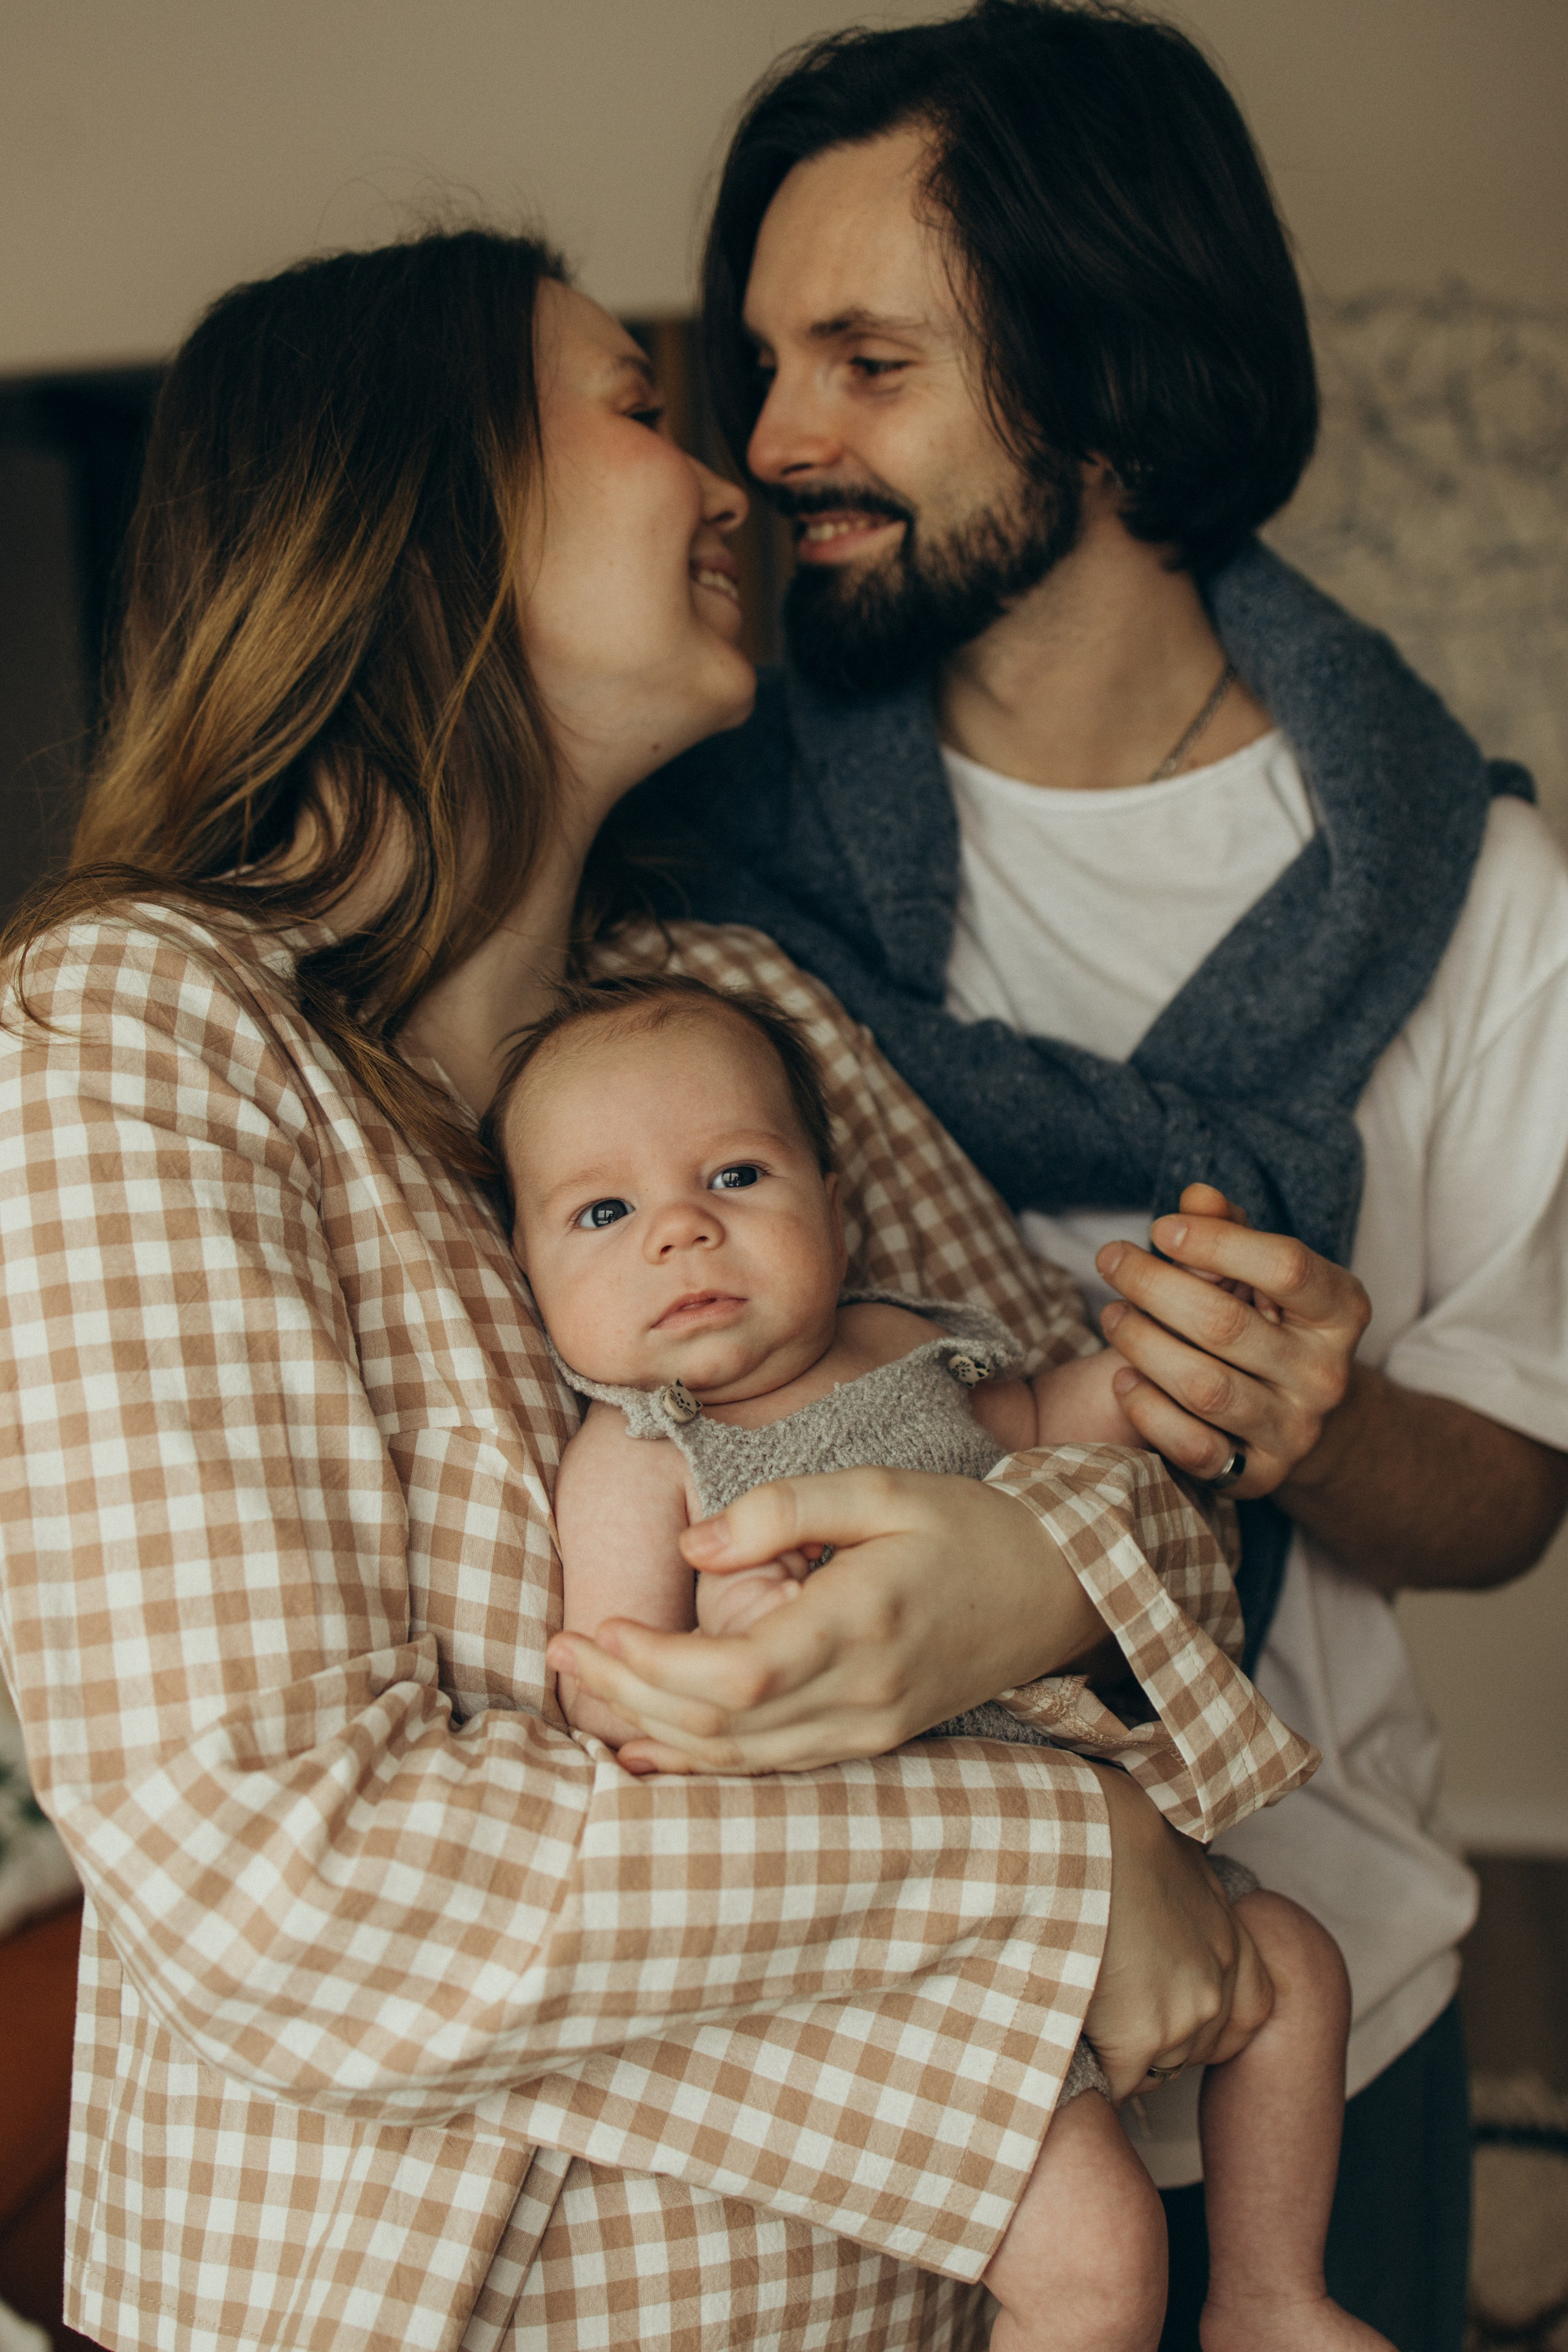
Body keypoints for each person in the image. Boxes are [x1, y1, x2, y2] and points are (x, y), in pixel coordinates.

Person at [0, 227, 1340, 2352]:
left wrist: (1028, 1581)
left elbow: (1122, 1460)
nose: (730, 483)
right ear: (412, 499)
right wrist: (1056, 1870)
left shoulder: (732, 1009)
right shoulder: (133, 1035)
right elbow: (294, 1887)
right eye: (636, 408)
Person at [617, 7, 1568, 2348]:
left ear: (1116, 392)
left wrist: (1323, 1426)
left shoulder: (1471, 890)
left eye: (867, 363)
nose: (769, 444)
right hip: (835, 2054)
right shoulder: (696, 858)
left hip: (1323, 2028)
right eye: (763, 360)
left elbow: (1518, 1489)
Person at [497, 965, 1383, 2352]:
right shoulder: (640, 1458)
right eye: (602, 1213)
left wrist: (1156, 1371)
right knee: (1096, 2252)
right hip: (903, 1919)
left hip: (1081, 1817)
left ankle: (1271, 2295)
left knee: (1299, 1966)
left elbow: (1046, 1422)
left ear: (833, 1209)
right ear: (529, 1268)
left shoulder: (903, 1343)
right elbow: (610, 1688)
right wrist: (724, 1651)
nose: (679, 1231)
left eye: (734, 1174)